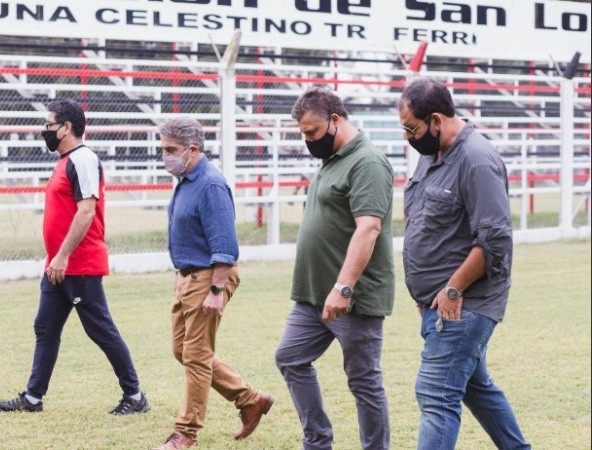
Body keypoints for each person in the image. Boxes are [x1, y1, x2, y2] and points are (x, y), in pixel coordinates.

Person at [0, 98, 149, 416]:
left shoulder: (84, 159)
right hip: (58, 264)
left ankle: (134, 396)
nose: (44, 130)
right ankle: (33, 399)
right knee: (45, 328)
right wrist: (54, 257)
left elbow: (87, 211)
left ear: (66, 127)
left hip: (77, 264)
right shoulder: (65, 161)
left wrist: (62, 256)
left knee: (100, 329)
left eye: (49, 124)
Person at [398, 78, 531, 449]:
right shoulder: (432, 153)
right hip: (437, 301)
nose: (409, 137)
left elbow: (495, 240)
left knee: (436, 394)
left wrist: (452, 289)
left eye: (413, 128)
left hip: (465, 303)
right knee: (477, 387)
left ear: (437, 120)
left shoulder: (476, 159)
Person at [274, 86, 395, 450]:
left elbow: (369, 228)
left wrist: (344, 287)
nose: (308, 140)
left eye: (312, 132)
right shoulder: (332, 159)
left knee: (363, 380)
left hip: (352, 296)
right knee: (290, 358)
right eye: (303, 134)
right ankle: (318, 441)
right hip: (313, 294)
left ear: (336, 120)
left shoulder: (368, 162)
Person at [152, 116, 275, 450]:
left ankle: (186, 433)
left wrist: (216, 290)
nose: (165, 155)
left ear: (193, 149)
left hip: (209, 277)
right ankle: (250, 399)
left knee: (195, 355)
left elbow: (226, 246)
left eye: (171, 149)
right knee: (184, 350)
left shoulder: (210, 185)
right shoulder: (186, 180)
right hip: (189, 277)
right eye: (163, 148)